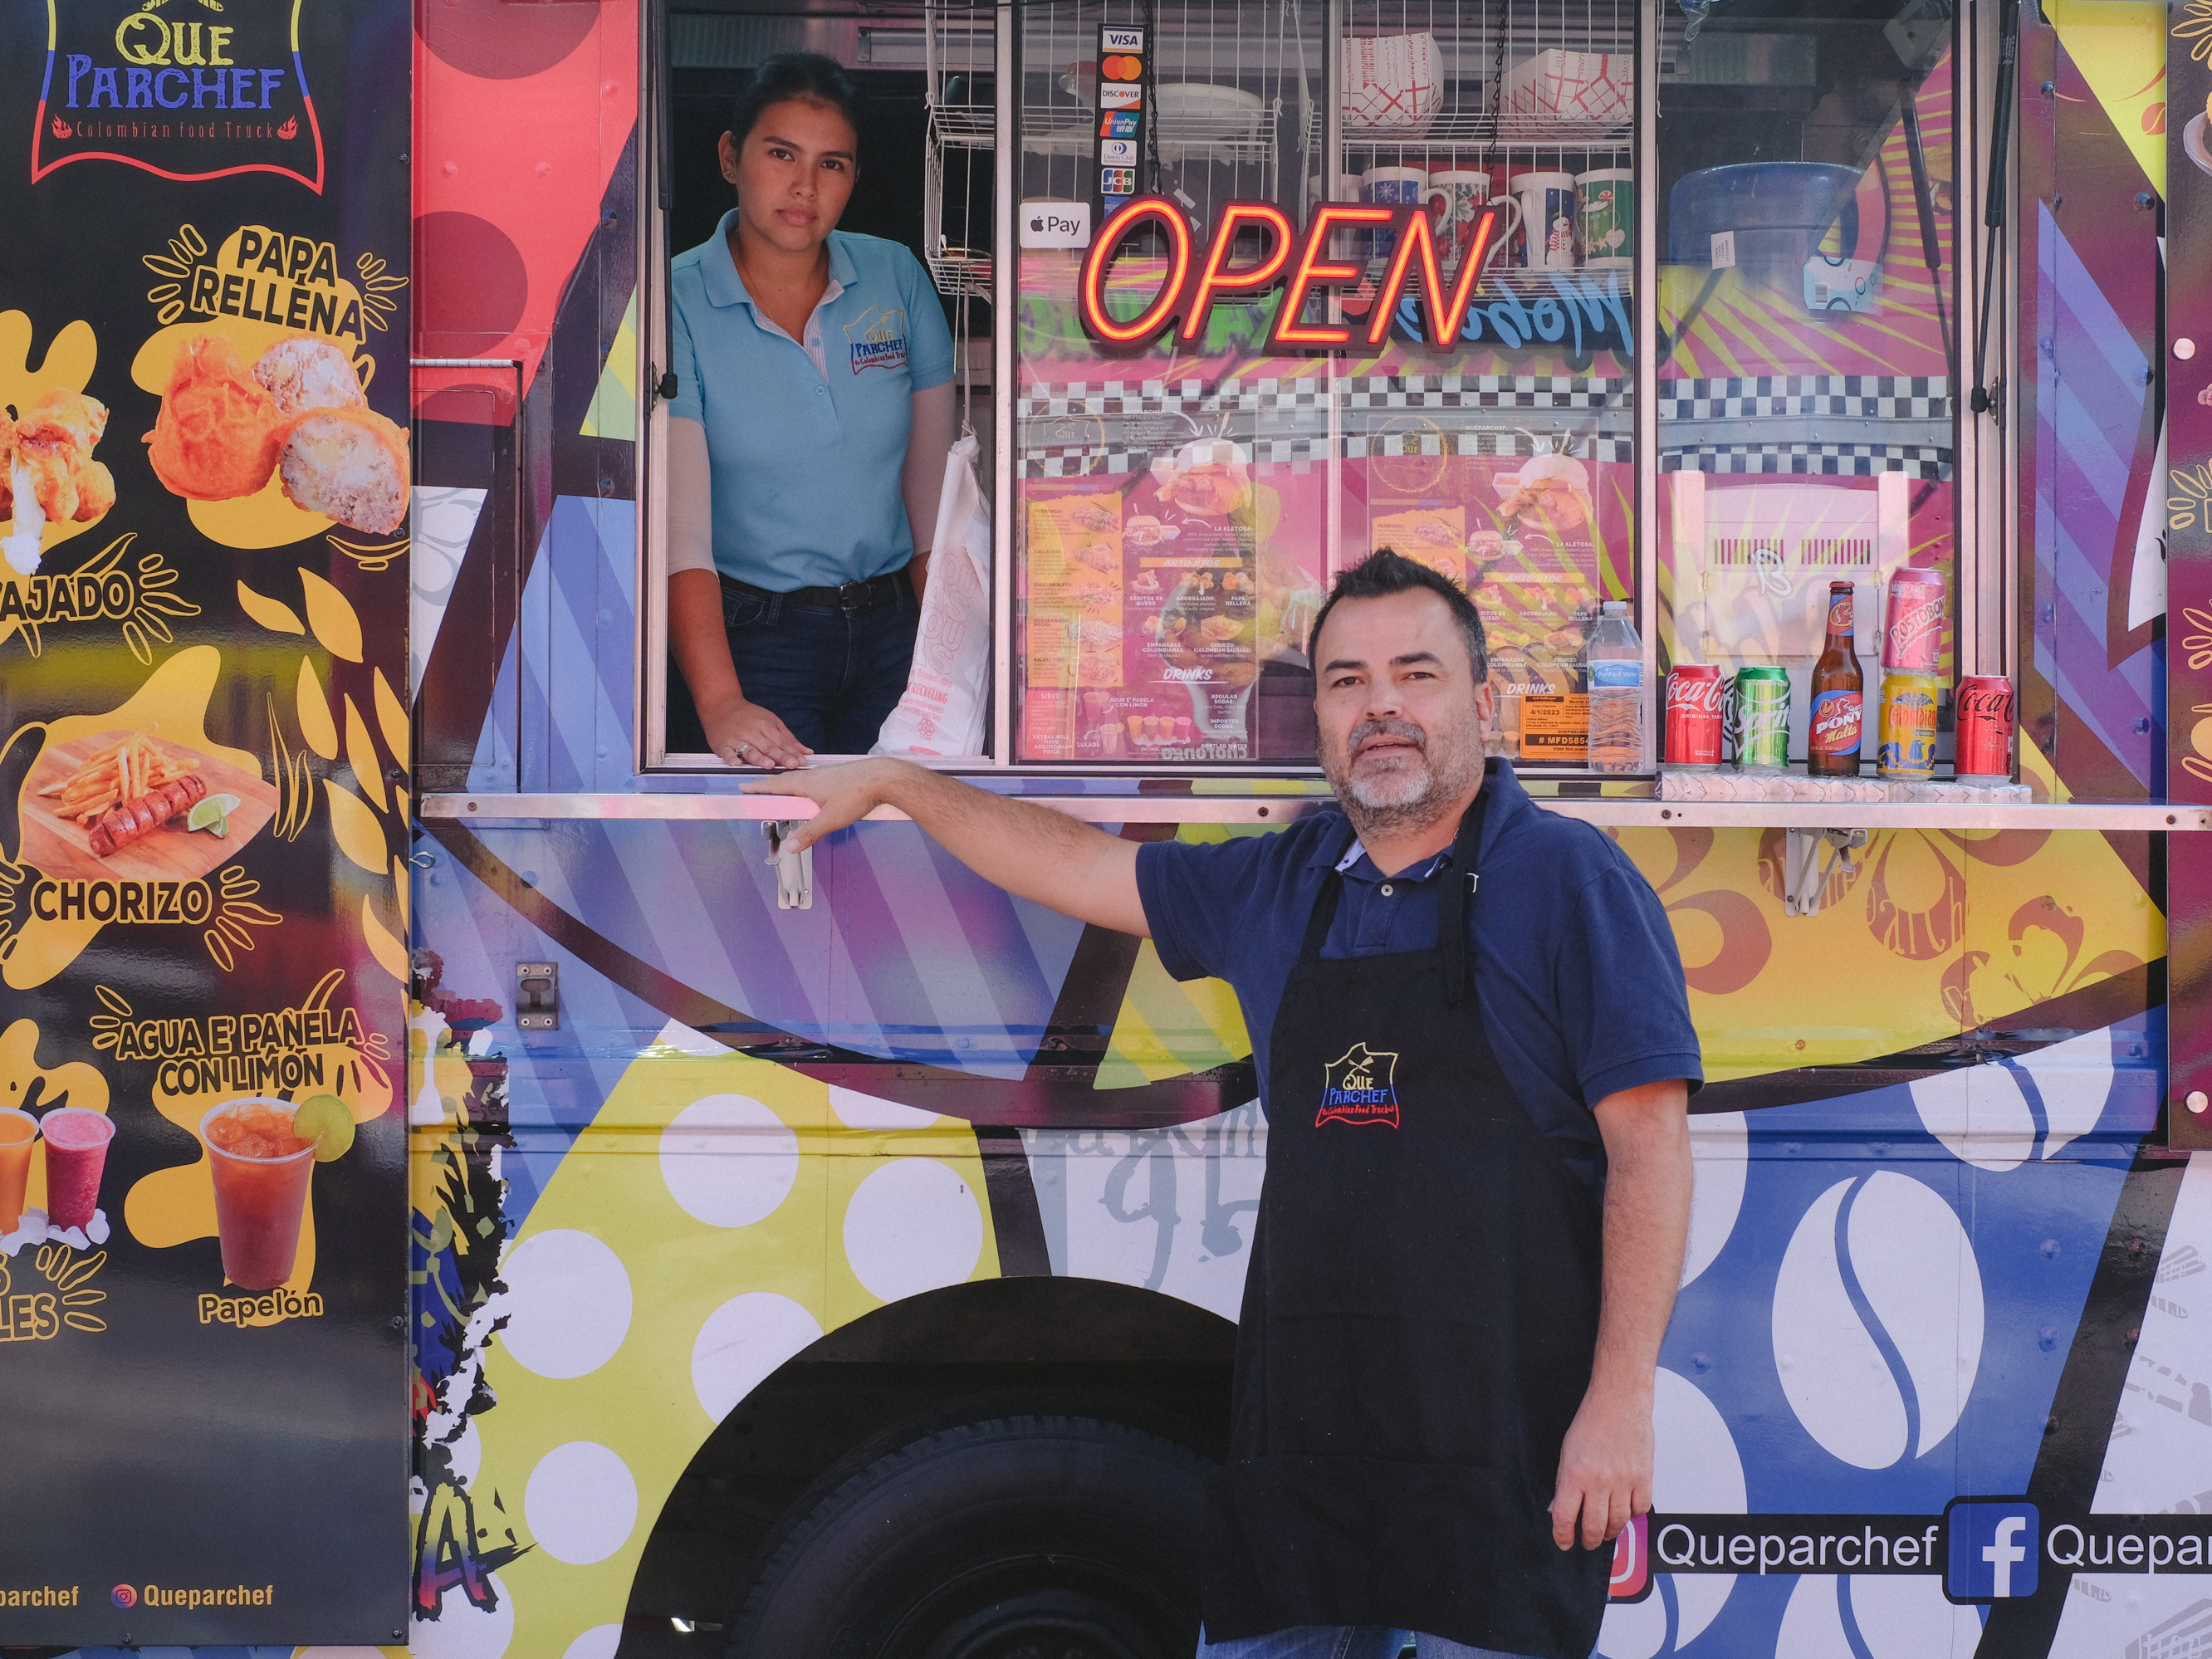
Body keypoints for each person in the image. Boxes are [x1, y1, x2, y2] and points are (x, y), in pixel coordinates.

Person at [748, 551, 1700, 1659]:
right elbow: (1086, 871)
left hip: (1503, 1466)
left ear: (1482, 701)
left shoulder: (1572, 882)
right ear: (1322, 718)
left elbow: (1649, 1150)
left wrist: (1622, 1398)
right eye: (1346, 680)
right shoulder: (1281, 881)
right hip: (1299, 1465)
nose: (1381, 703)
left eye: (1415, 672)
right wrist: (899, 782)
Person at [666, 51, 957, 766]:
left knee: (911, 845)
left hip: (894, 629)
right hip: (755, 638)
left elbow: (933, 513)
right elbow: (680, 536)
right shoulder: (674, 299)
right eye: (781, 153)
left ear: (854, 177)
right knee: (786, 853)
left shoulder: (895, 275)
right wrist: (721, 702)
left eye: (833, 164)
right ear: (731, 157)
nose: (804, 186)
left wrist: (956, 666)